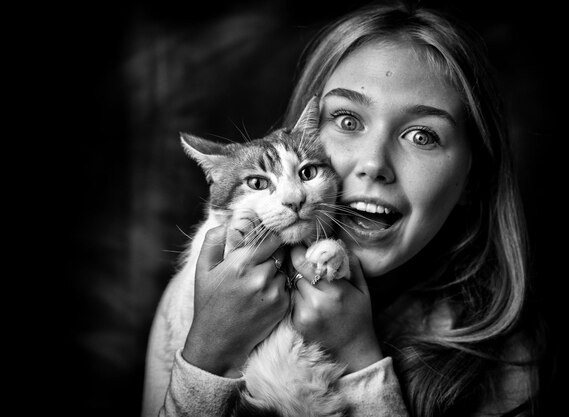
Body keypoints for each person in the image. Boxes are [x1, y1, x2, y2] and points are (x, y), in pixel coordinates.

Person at [142, 1, 547, 416]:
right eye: (348, 121)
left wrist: (358, 358)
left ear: (471, 181)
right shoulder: (201, 297)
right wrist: (207, 355)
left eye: (422, 135)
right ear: (309, 127)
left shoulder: (506, 362)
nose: (374, 164)